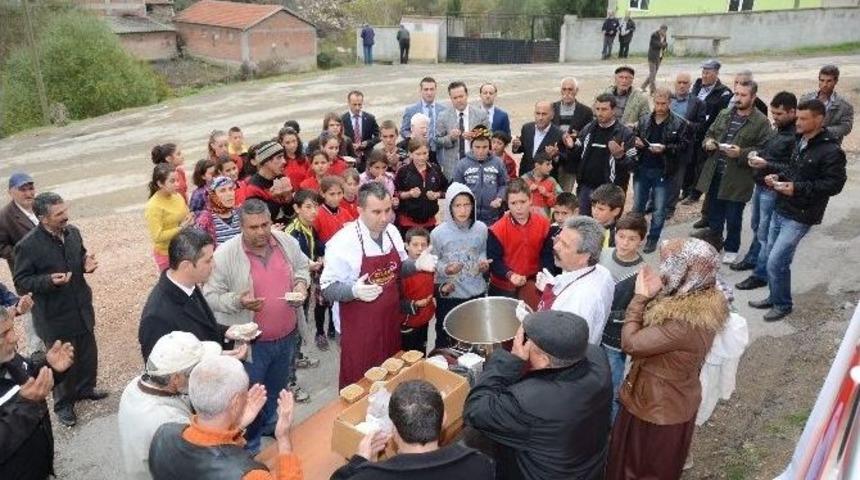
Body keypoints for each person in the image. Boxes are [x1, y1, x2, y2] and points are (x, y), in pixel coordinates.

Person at [606, 238, 729, 480]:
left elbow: (631, 343)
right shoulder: (696, 294)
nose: (664, 271)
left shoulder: (684, 322)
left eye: (670, 265)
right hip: (667, 399)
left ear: (686, 272)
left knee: (640, 468)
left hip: (657, 408)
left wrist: (640, 298)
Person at [203, 198, 310, 453]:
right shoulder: (225, 255)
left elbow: (303, 266)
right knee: (248, 399)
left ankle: (271, 425)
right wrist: (238, 301)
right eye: (254, 227)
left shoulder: (286, 242)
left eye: (265, 224)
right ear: (241, 226)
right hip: (252, 347)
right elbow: (210, 296)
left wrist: (301, 284)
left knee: (276, 390)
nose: (262, 232)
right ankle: (249, 447)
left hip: (286, 337)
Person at [464, 310, 612, 479]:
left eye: (529, 343)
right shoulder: (598, 358)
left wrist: (511, 361)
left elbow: (475, 411)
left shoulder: (528, 402)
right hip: (587, 468)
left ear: (543, 360)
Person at [320, 182, 437, 387]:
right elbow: (327, 288)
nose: (384, 218)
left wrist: (416, 265)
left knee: (390, 378)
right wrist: (353, 291)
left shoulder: (392, 232)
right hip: (360, 330)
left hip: (391, 321)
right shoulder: (342, 243)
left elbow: (398, 269)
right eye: (376, 212)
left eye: (388, 210)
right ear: (360, 210)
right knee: (361, 385)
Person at [749, 99, 847, 322]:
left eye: (803, 118)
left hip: (801, 214)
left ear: (819, 119)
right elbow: (793, 170)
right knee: (776, 257)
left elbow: (834, 185)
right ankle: (775, 297)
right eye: (798, 117)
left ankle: (783, 305)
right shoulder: (799, 140)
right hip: (781, 207)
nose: (798, 122)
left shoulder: (831, 150)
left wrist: (796, 188)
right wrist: (779, 177)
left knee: (775, 260)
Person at [13, 192, 104, 427]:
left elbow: (81, 255)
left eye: (65, 210)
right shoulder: (27, 246)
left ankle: (85, 389)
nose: (66, 216)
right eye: (59, 214)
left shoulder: (73, 233)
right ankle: (63, 405)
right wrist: (49, 281)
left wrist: (86, 264)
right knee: (62, 361)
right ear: (43, 218)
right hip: (54, 315)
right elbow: (22, 281)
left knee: (86, 354)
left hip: (81, 306)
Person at [148, 356, 303, 479]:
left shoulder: (163, 434)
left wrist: (238, 425)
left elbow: (210, 451)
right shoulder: (249, 475)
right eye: (245, 393)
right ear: (236, 402)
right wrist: (283, 439)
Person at [332, 380, 494, 480]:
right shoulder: (479, 465)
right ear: (444, 418)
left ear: (393, 428)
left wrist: (358, 462)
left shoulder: (369, 476)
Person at [118, 331, 222, 480]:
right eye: (197, 370)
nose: (201, 374)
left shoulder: (134, 385)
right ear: (176, 379)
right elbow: (201, 466)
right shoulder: (172, 422)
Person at [138, 228, 246, 361]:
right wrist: (216, 358)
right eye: (208, 260)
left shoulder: (189, 285)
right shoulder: (157, 317)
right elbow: (160, 372)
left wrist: (227, 331)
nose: (214, 264)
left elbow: (200, 325)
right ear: (186, 266)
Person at [694, 80, 771, 264]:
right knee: (714, 214)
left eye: (743, 95)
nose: (738, 98)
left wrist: (741, 153)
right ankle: (714, 244)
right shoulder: (725, 113)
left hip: (738, 178)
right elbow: (709, 133)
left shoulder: (761, 122)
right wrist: (709, 143)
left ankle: (731, 247)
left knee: (733, 216)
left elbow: (765, 150)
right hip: (715, 173)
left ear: (753, 97)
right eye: (737, 94)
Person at [0, 306, 75, 480]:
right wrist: (26, 405)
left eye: (11, 329)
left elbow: (30, 381)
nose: (14, 338)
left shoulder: (9, 358)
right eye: (3, 335)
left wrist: (50, 368)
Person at [732, 92, 798, 277]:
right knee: (757, 227)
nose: (774, 118)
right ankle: (753, 259)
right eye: (773, 113)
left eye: (778, 114)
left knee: (765, 233)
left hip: (772, 190)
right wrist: (754, 155)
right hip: (761, 185)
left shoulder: (795, 137)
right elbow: (768, 150)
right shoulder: (779, 130)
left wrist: (766, 164)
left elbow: (791, 167)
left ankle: (760, 273)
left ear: (792, 112)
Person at [531, 215, 613, 346]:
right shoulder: (602, 272)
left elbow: (559, 345)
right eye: (559, 239)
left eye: (565, 245)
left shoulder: (579, 303)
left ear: (584, 257)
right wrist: (551, 287)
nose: (556, 247)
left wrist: (530, 322)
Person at [597, 213, 646, 422]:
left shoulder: (642, 272)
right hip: (596, 326)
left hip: (616, 337)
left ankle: (612, 425)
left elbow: (639, 308)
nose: (624, 243)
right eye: (621, 236)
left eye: (632, 239)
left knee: (614, 380)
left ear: (641, 241)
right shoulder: (603, 255)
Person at [431, 182, 490, 350]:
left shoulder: (481, 228)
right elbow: (433, 261)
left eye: (467, 205)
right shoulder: (438, 233)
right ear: (449, 207)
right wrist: (445, 269)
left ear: (473, 206)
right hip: (451, 295)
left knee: (474, 335)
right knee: (446, 338)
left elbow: (482, 251)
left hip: (475, 293)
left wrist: (483, 263)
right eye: (457, 205)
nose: (463, 210)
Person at [632, 88, 689, 253]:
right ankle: (635, 237)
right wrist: (638, 143)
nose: (660, 107)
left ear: (670, 103)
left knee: (659, 209)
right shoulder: (644, 121)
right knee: (637, 208)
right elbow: (635, 139)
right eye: (657, 103)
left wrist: (665, 148)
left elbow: (684, 147)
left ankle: (653, 239)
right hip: (642, 168)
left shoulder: (679, 123)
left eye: (663, 103)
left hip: (663, 171)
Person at [487, 179, 552, 310]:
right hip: (503, 287)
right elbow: (494, 261)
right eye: (513, 203)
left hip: (533, 285)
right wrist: (510, 274)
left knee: (530, 325)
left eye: (522, 202)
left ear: (530, 199)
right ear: (507, 204)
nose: (518, 207)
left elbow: (547, 255)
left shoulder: (544, 224)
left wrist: (544, 277)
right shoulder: (496, 229)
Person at [572, 94, 637, 215]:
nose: (599, 113)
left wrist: (620, 157)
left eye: (604, 109)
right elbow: (577, 154)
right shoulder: (588, 129)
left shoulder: (625, 134)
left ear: (614, 110)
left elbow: (633, 165)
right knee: (583, 225)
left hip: (610, 190)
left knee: (605, 228)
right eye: (597, 109)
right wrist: (570, 147)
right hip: (586, 187)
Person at [0, 172, 43, 354]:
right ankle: (35, 356)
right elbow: (1, 246)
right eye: (22, 189)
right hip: (27, 276)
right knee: (33, 318)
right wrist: (23, 255)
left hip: (51, 273)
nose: (28, 193)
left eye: (30, 188)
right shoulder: (4, 216)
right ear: (11, 192)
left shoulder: (41, 207)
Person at [683, 59, 733, 204]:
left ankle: (695, 194)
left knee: (701, 165)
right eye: (703, 72)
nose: (704, 76)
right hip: (691, 130)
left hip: (707, 133)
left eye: (708, 73)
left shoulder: (723, 93)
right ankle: (685, 190)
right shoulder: (697, 86)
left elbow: (721, 117)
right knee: (689, 162)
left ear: (716, 74)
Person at [285, 190, 328, 351]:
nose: (313, 211)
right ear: (297, 208)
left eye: (315, 207)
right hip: (294, 282)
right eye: (308, 207)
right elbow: (290, 259)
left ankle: (297, 355)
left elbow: (317, 246)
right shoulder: (292, 231)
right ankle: (292, 357)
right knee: (294, 319)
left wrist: (321, 255)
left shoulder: (309, 227)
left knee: (302, 317)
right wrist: (309, 264)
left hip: (307, 279)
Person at [452, 127, 508, 225]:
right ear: (471, 146)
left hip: (493, 216)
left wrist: (499, 198)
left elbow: (504, 184)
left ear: (489, 146)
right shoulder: (462, 164)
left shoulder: (498, 163)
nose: (481, 151)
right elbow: (456, 189)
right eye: (477, 147)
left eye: (484, 147)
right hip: (469, 216)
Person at [394, 138, 448, 236]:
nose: (422, 157)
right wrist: (409, 194)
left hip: (430, 222)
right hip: (408, 222)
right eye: (418, 154)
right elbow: (395, 193)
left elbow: (446, 189)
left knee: (428, 250)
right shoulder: (403, 171)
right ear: (410, 154)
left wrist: (437, 194)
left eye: (425, 153)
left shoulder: (435, 169)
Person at [670, 72, 707, 215]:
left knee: (677, 178)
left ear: (690, 85)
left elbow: (702, 126)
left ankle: (669, 208)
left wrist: (689, 124)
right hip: (665, 143)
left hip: (684, 145)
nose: (682, 85)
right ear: (675, 83)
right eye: (679, 82)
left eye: (685, 83)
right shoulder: (668, 99)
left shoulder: (698, 103)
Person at [146, 164, 194, 271]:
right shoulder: (153, 206)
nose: (177, 184)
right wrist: (181, 228)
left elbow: (186, 215)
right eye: (172, 181)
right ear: (160, 183)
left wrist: (190, 219)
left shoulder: (177, 196)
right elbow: (157, 236)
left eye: (177, 180)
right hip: (166, 254)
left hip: (184, 248)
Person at [435, 81, 489, 176]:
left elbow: (489, 137)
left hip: (476, 166)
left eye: (461, 96)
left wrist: (475, 137)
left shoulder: (480, 115)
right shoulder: (443, 116)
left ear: (467, 95)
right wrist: (450, 138)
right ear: (450, 98)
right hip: (452, 170)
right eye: (455, 98)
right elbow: (437, 141)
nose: (459, 100)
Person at [552, 77, 595, 191]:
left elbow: (589, 135)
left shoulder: (585, 111)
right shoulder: (551, 108)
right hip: (552, 158)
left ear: (577, 91)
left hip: (571, 160)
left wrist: (578, 136)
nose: (567, 93)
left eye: (570, 89)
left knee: (565, 194)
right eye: (564, 89)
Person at [400, 228, 436, 352]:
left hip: (424, 319)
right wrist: (414, 304)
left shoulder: (429, 266)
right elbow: (395, 301)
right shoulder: (402, 271)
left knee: (422, 352)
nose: (420, 248)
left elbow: (429, 287)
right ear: (406, 246)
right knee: (408, 358)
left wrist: (442, 288)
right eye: (415, 245)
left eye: (423, 245)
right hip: (407, 323)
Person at [800, 64, 854, 144]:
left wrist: (824, 130)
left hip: (829, 146)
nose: (825, 85)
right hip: (805, 143)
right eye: (822, 80)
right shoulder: (806, 99)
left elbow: (846, 128)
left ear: (835, 81)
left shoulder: (844, 105)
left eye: (829, 81)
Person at [244, 140, 294, 225]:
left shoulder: (282, 178)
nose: (284, 161)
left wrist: (288, 197)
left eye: (283, 157)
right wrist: (276, 199)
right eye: (279, 157)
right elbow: (259, 220)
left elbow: (290, 214)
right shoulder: (253, 188)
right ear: (266, 161)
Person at [401, 77, 447, 163]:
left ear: (436, 90)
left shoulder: (444, 110)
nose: (429, 93)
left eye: (432, 89)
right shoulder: (411, 110)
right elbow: (404, 130)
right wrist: (411, 136)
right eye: (426, 89)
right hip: (419, 152)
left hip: (439, 152)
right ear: (420, 90)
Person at [511, 101, 563, 176]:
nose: (540, 118)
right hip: (525, 175)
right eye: (538, 113)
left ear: (552, 115)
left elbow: (564, 160)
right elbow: (522, 149)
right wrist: (516, 146)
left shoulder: (559, 134)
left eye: (544, 114)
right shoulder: (527, 128)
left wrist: (555, 155)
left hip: (545, 179)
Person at [342, 90, 380, 168]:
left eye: (360, 104)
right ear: (348, 103)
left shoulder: (370, 118)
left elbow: (379, 136)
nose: (357, 108)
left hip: (367, 157)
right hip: (349, 157)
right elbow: (338, 138)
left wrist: (368, 143)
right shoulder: (342, 119)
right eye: (354, 105)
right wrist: (349, 145)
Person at [590, 183, 625, 248]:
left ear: (616, 211)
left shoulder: (618, 236)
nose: (595, 212)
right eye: (593, 206)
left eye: (601, 209)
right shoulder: (586, 226)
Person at [279, 127, 310, 191]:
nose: (292, 145)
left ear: (298, 140)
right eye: (288, 143)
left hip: (305, 194)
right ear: (282, 143)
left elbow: (310, 178)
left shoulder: (304, 159)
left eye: (294, 141)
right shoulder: (279, 161)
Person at [640, 25, 668, 94]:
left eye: (665, 31)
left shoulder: (664, 36)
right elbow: (655, 44)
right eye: (662, 30)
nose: (664, 32)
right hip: (652, 57)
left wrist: (664, 45)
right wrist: (663, 44)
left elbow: (665, 45)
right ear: (660, 29)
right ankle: (653, 90)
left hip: (659, 57)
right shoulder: (654, 35)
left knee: (653, 74)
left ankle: (643, 86)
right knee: (652, 74)